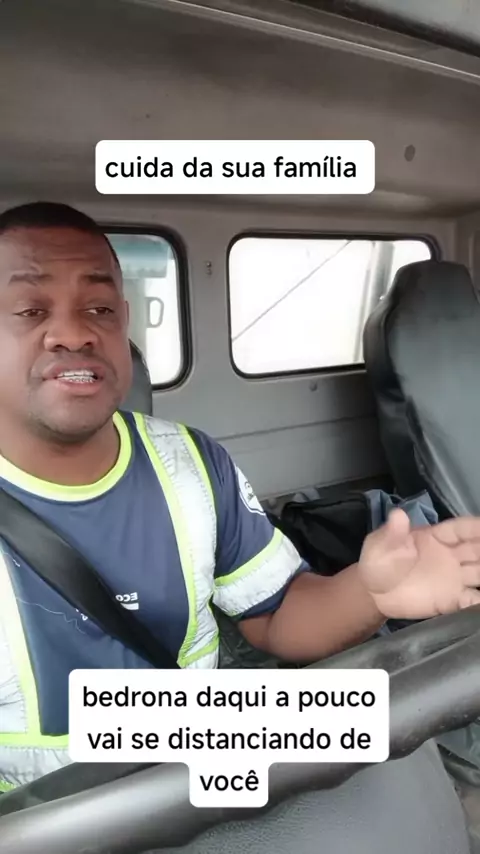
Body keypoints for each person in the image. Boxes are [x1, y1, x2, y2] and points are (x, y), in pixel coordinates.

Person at [0, 201, 479, 791]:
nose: (75, 333)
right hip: (35, 820)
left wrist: (371, 592)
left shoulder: (192, 463)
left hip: (204, 777)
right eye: (30, 309)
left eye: (99, 309)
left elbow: (275, 616)